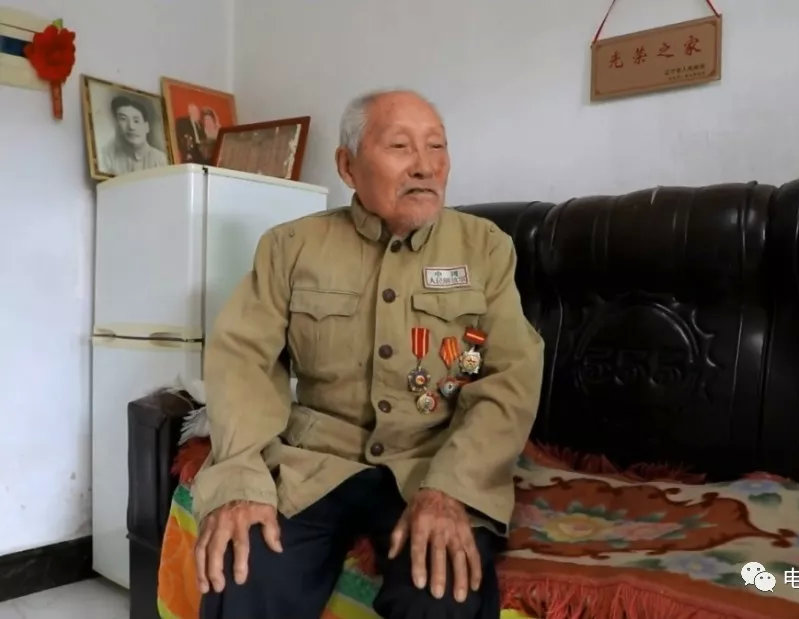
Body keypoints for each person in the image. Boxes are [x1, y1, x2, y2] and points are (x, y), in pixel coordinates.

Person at [191, 89, 544, 619]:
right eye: (401, 146)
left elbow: (509, 376)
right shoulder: (291, 247)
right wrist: (241, 478)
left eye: (437, 146)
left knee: (443, 590)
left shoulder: (485, 248)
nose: (425, 166)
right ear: (348, 166)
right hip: (314, 463)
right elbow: (242, 361)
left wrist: (452, 489)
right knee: (244, 569)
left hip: (431, 461)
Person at [99, 94, 169, 175]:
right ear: (117, 124)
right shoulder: (107, 158)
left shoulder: (161, 160)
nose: (131, 127)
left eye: (136, 121)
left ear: (146, 127)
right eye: (123, 119)